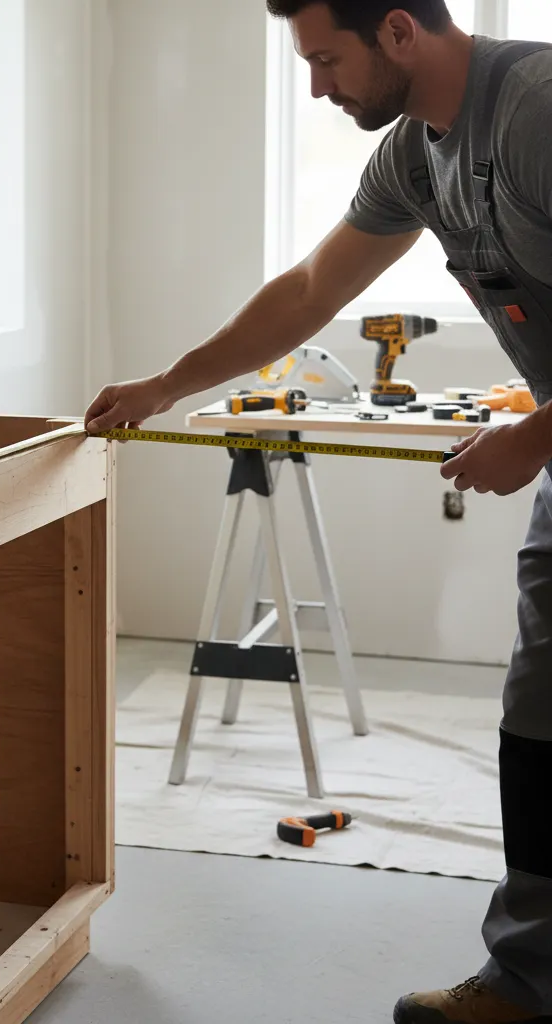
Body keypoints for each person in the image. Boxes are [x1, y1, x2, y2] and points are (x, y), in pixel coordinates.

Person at [84, 2, 552, 1021]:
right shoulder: (413, 160)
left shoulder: (534, 111)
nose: (315, 86)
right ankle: (526, 980)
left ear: (396, 32)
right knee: (540, 716)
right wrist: (169, 384)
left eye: (325, 59)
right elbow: (305, 291)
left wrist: (533, 434)